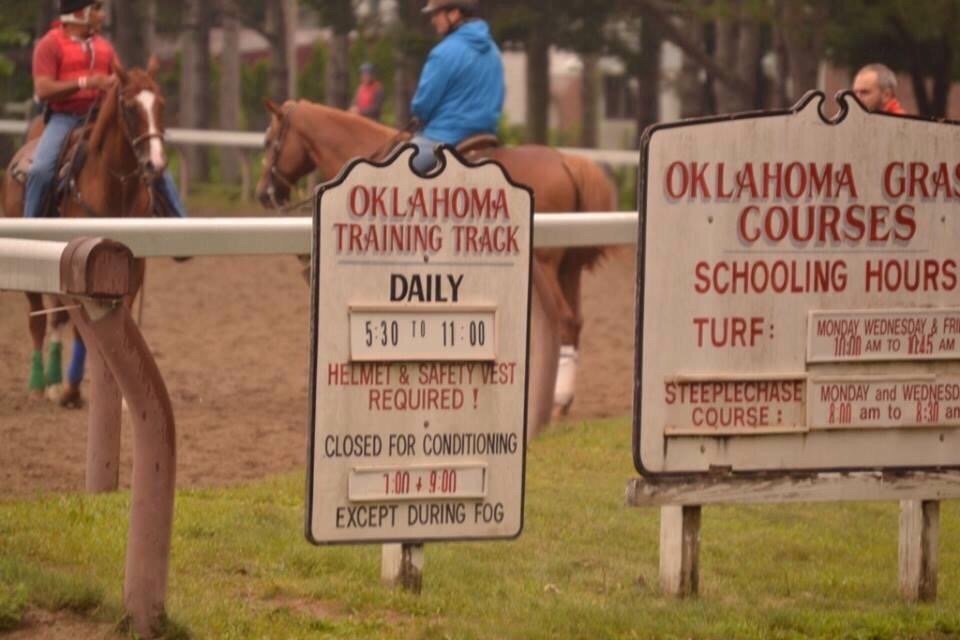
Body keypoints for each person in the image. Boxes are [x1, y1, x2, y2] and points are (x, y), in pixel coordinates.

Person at [25, 0, 188, 220]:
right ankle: (30, 229)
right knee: (40, 170)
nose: (102, 15)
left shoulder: (104, 46)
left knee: (155, 163)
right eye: (97, 9)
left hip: (103, 116)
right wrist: (86, 83)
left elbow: (120, 83)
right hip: (64, 118)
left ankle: (180, 227)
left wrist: (135, 82)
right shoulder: (49, 44)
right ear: (80, 13)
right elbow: (42, 89)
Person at [409, 0, 504, 175]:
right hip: (486, 136)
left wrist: (418, 115)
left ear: (454, 14)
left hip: (443, 138)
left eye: (436, 13)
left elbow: (422, 105)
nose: (432, 20)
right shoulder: (494, 51)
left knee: (393, 174)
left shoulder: (443, 52)